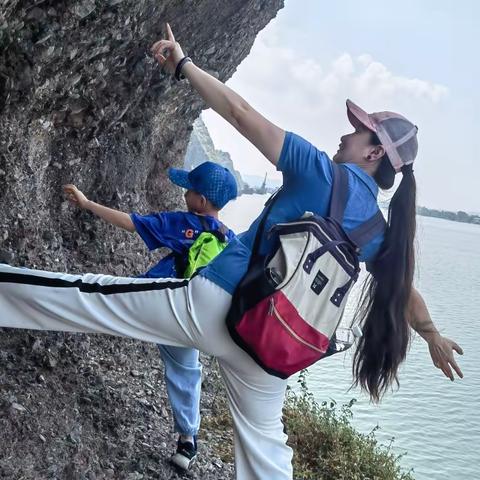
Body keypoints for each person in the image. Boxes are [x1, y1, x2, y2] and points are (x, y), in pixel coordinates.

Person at [0, 24, 464, 480]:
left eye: (358, 132)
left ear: (374, 154)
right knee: (266, 455)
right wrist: (431, 334)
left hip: (215, 304)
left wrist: (183, 64)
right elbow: (403, 291)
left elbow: (240, 114)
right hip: (271, 345)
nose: (346, 136)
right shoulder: (376, 229)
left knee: (86, 296)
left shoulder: (320, 171)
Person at [63, 161, 237, 470]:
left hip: (158, 304)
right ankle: (187, 441)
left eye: (190, 190)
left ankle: (56, 307)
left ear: (202, 201)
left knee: (98, 300)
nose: (185, 194)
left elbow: (133, 223)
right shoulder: (229, 238)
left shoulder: (184, 224)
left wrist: (88, 203)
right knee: (186, 371)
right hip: (193, 319)